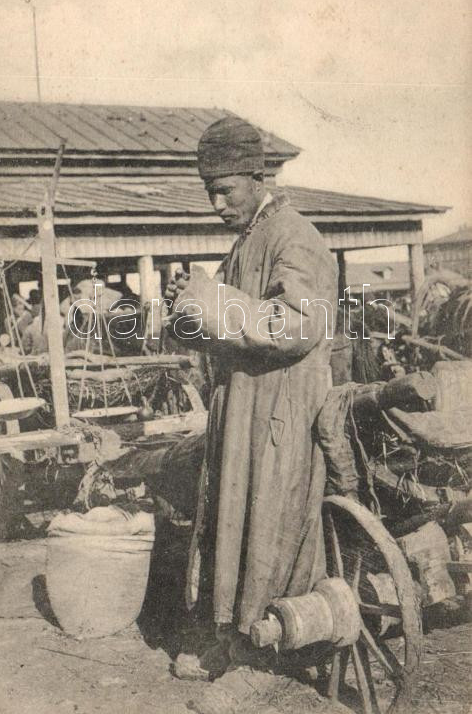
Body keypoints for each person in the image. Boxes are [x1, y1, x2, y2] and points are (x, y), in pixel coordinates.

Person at [164, 116, 338, 678]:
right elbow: (221, 324)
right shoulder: (248, 240)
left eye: (225, 190)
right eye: (209, 192)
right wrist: (188, 305)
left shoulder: (294, 236)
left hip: (279, 412)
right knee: (233, 521)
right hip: (242, 407)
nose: (217, 204)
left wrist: (213, 301)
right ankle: (235, 641)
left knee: (267, 525)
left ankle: (269, 643)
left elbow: (296, 324)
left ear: (257, 177)